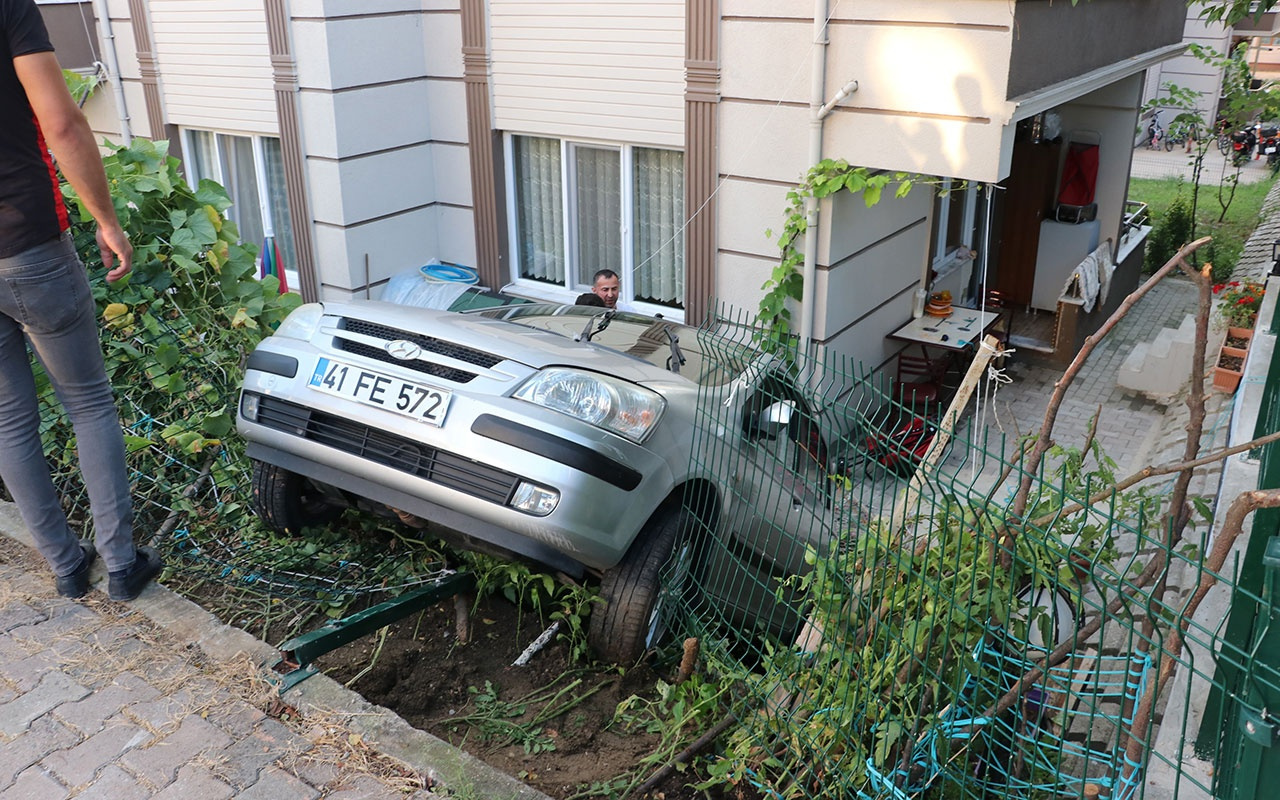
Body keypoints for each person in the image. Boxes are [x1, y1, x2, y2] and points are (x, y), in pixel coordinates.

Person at [1, 0, 161, 601]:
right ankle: (121, 565)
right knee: (88, 402)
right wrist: (107, 219)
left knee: (8, 419)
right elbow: (62, 123)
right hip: (27, 242)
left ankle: (67, 567)